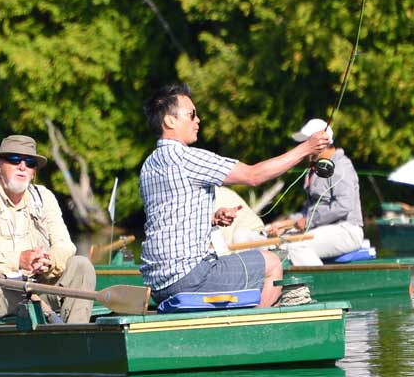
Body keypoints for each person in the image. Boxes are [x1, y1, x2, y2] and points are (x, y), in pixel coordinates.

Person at [139, 83, 330, 307]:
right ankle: (257, 332)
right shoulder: (186, 158)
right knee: (273, 264)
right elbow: (253, 175)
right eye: (192, 115)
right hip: (190, 276)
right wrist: (306, 148)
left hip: (156, 284)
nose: (198, 120)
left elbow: (168, 216)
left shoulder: (149, 165)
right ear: (170, 121)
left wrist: (212, 218)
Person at [0, 134, 96, 327]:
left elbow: (65, 245)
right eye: (15, 160)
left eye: (30, 162)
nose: (23, 167)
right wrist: (19, 260)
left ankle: (75, 341)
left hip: (36, 288)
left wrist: (48, 261)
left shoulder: (45, 197)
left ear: (33, 172)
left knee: (81, 265)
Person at [267, 118, 364, 265]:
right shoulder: (315, 169)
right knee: (279, 243)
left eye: (307, 143)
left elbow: (344, 205)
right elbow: (309, 213)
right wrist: (285, 224)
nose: (304, 148)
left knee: (296, 247)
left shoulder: (341, 166)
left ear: (322, 143)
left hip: (347, 230)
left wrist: (309, 221)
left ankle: (322, 285)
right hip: (321, 228)